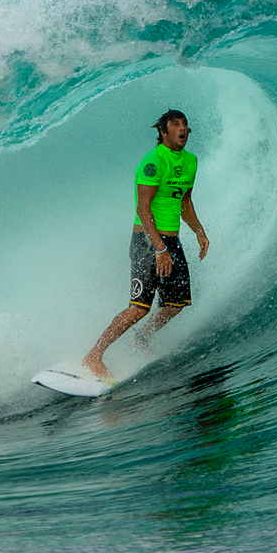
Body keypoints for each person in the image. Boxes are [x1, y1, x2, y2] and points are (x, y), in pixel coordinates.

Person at [83, 109, 209, 380]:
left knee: (176, 304)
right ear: (163, 132)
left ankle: (141, 339)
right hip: (147, 241)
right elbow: (143, 208)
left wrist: (199, 231)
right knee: (138, 308)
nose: (182, 128)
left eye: (185, 124)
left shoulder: (191, 162)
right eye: (175, 125)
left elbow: (184, 201)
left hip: (171, 241)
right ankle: (94, 355)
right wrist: (159, 249)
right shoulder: (152, 161)